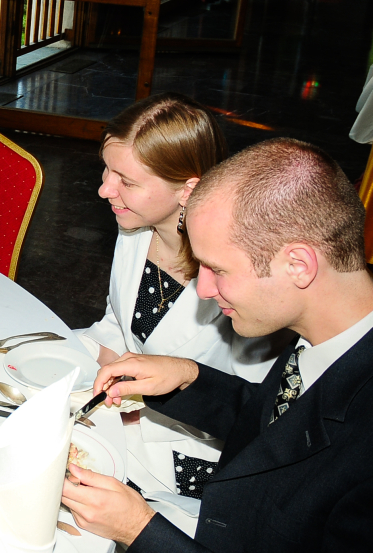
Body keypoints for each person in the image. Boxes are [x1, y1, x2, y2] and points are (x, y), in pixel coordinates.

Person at [62, 138, 373, 552]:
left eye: (218, 269)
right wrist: (187, 377)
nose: (204, 289)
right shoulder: (328, 325)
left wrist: (139, 531)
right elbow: (277, 425)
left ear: (298, 265)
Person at [78, 94, 287, 526]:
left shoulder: (241, 278)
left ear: (187, 190)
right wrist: (73, 352)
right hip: (123, 416)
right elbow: (118, 327)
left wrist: (135, 407)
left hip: (185, 457)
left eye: (126, 181)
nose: (105, 189)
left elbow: (251, 411)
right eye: (106, 170)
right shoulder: (135, 227)